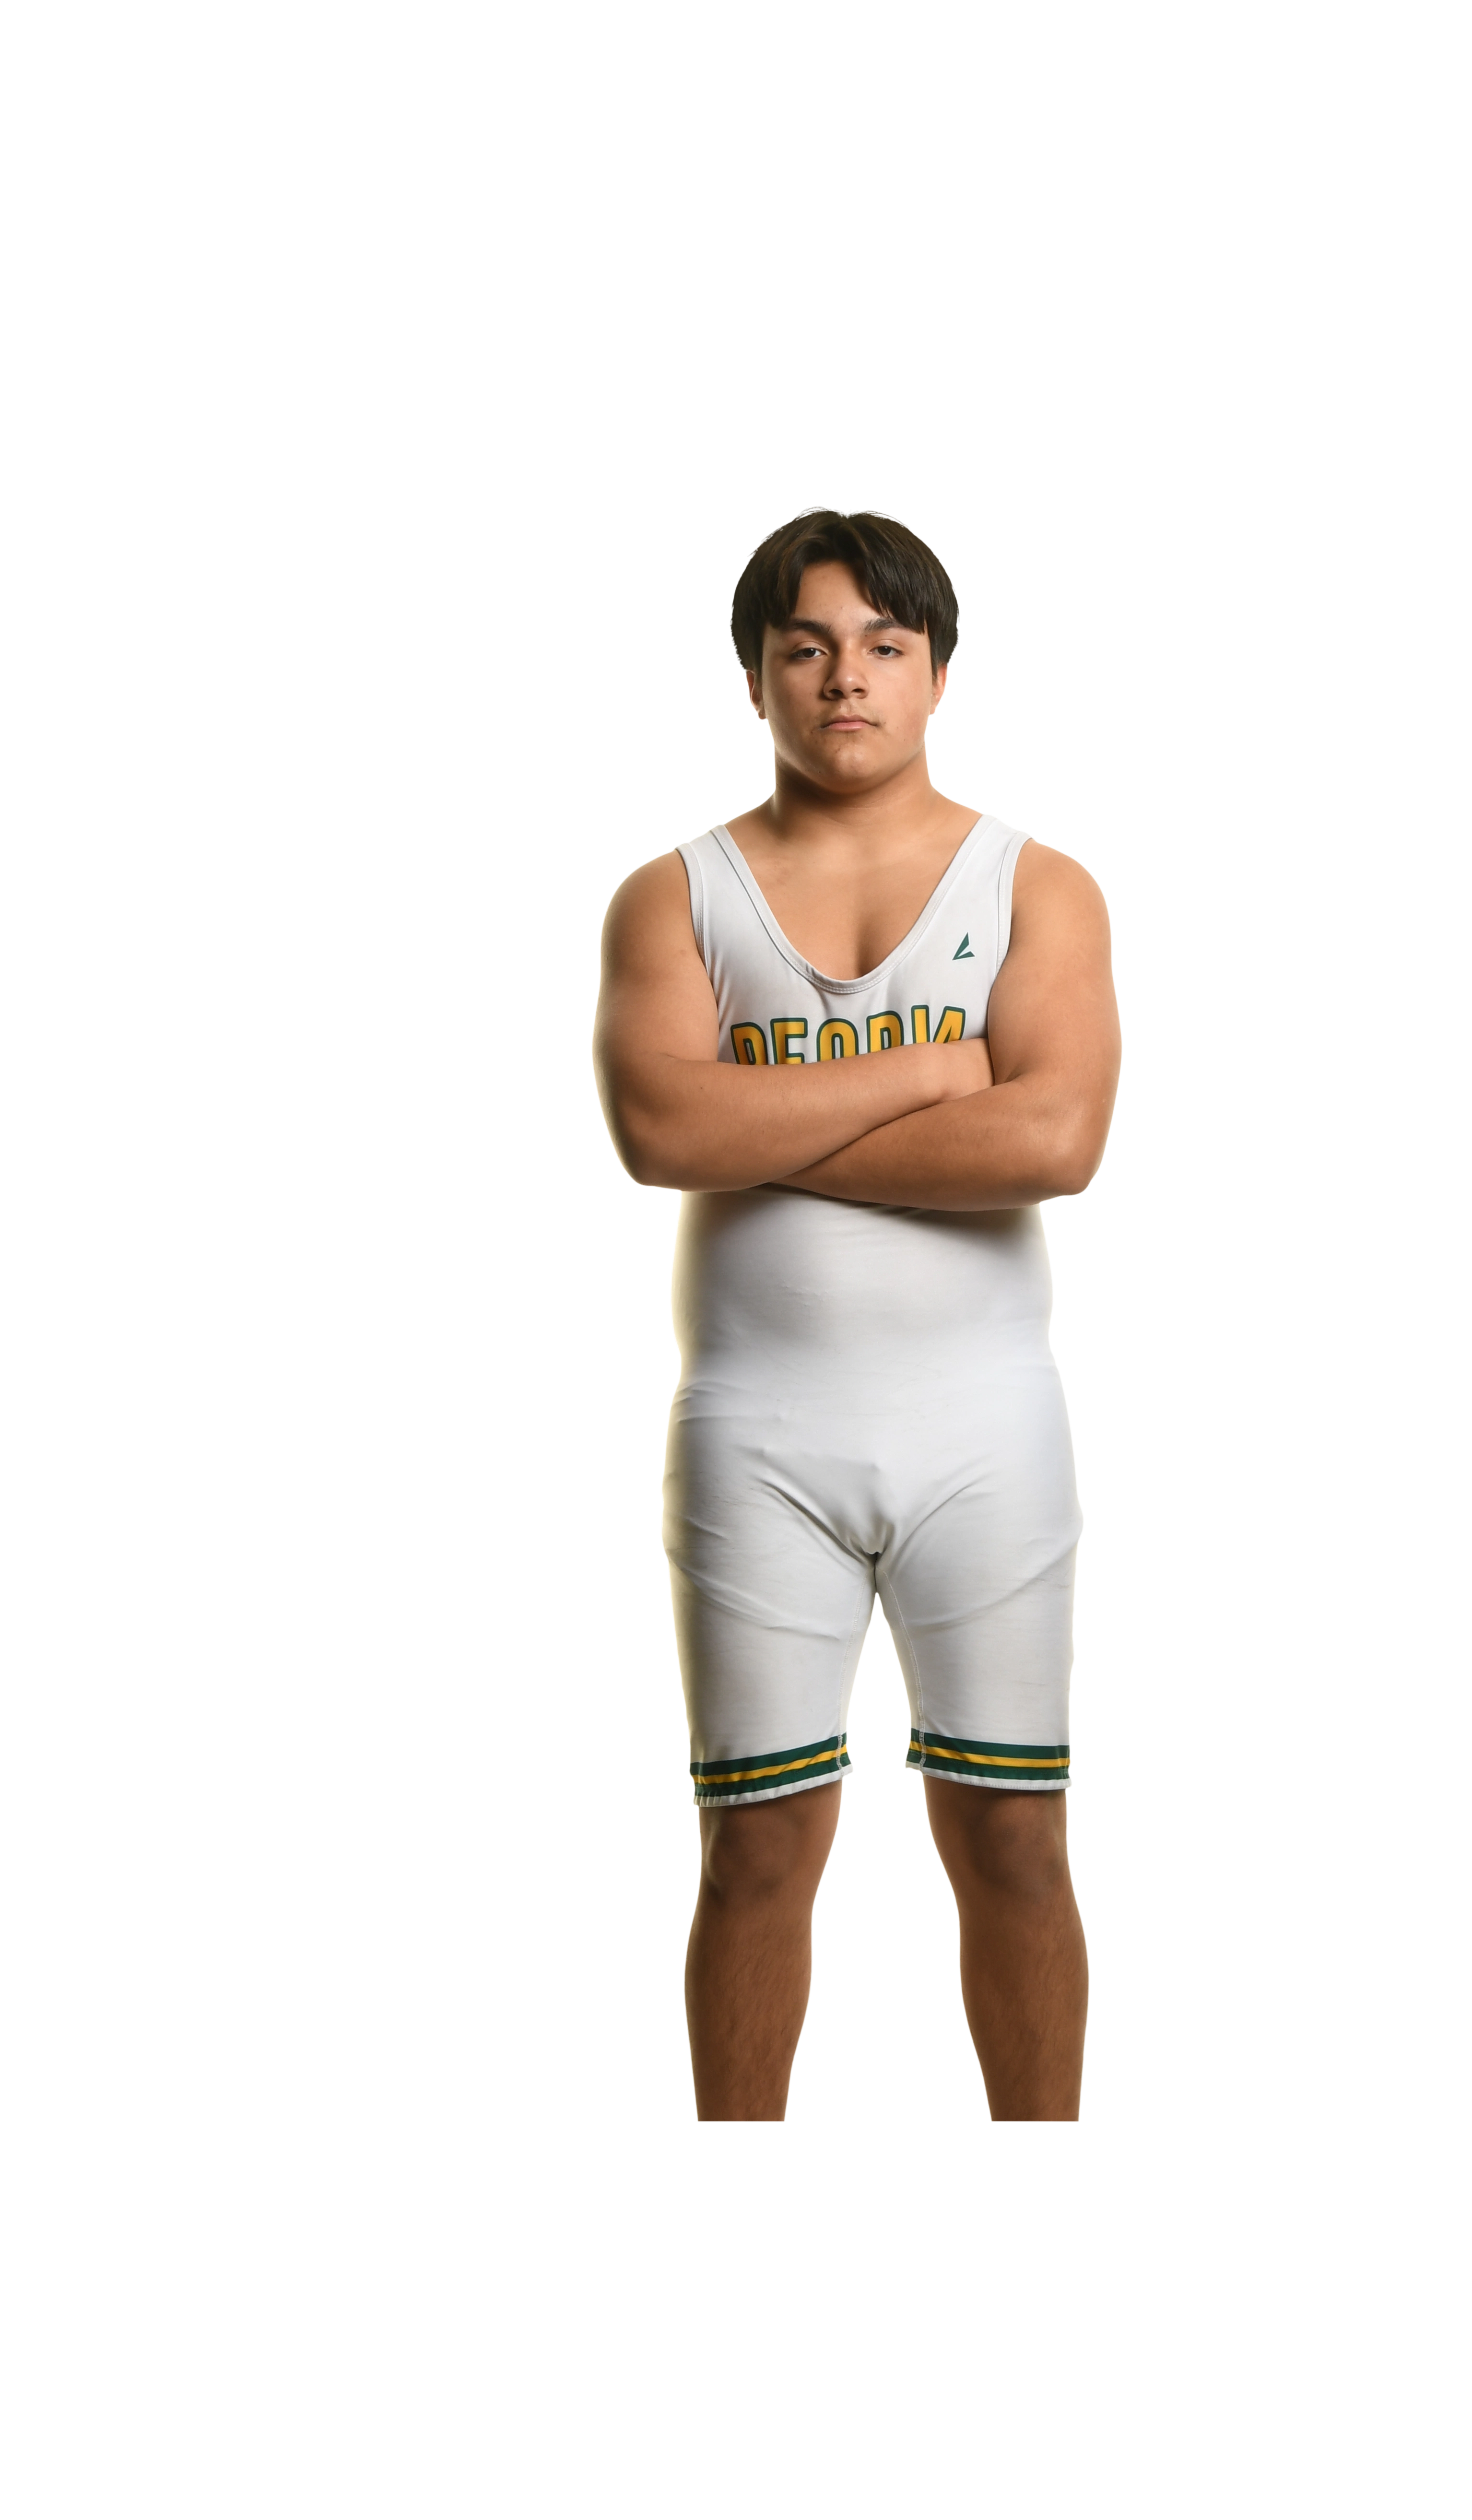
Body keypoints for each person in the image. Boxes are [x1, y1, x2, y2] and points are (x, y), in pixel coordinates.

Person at [593, 506, 1121, 2121]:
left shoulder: (1039, 885)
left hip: (987, 1429)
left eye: (886, 646)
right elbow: (659, 1132)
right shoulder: (671, 895)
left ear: (938, 674)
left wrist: (761, 1118)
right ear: (754, 676)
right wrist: (933, 1070)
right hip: (759, 1431)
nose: (847, 679)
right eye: (807, 647)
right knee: (755, 1849)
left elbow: (1056, 1141)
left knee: (1015, 1838)